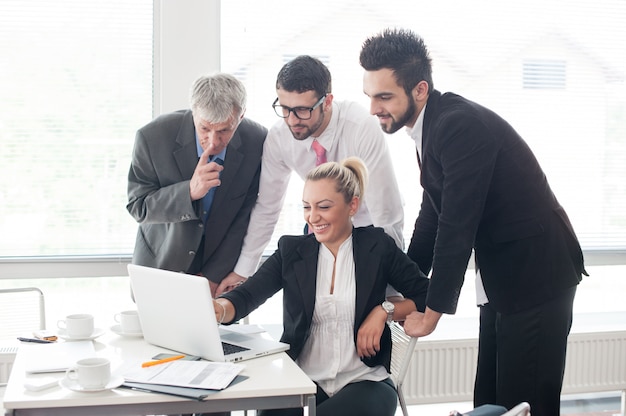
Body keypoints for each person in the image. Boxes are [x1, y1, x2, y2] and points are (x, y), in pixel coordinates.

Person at [359, 28, 587, 416]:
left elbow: (456, 226)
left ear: (419, 90)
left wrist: (430, 312)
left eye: (384, 97)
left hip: (537, 275)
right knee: (491, 402)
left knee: (524, 405)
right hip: (503, 278)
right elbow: (431, 217)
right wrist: (405, 284)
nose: (374, 108)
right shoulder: (429, 129)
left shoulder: (457, 126)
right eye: (370, 96)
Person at [213, 158, 430, 416]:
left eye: (324, 207)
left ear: (353, 205)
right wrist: (218, 309)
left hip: (365, 380)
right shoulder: (291, 251)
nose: (313, 217)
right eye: (306, 207)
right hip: (302, 379)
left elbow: (426, 293)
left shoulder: (378, 247)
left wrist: (383, 311)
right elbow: (247, 296)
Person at [218, 55, 405, 295]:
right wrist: (244, 270)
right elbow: (267, 207)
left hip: (368, 227)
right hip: (322, 230)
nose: (292, 120)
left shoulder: (360, 127)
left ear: (327, 102)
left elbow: (386, 213)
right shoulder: (279, 137)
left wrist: (393, 290)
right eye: (285, 109)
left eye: (302, 110)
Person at [127, 73, 267, 297]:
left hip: (219, 278)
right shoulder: (152, 137)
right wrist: (188, 192)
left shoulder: (257, 141)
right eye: (204, 128)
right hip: (160, 269)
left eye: (224, 130)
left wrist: (213, 276)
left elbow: (246, 216)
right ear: (194, 113)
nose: (213, 141)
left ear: (241, 117)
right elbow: (138, 206)